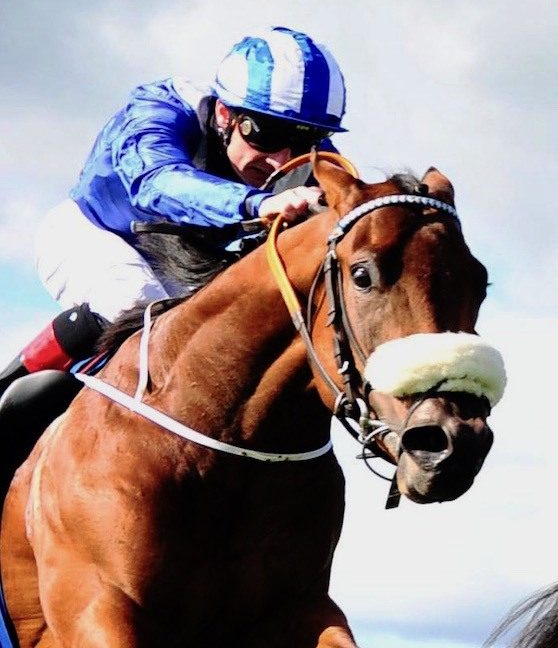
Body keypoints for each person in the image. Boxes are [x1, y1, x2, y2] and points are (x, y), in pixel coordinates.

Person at [0, 27, 347, 399]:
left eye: (302, 140)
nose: (281, 159)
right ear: (224, 113)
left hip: (185, 266)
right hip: (92, 233)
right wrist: (256, 203)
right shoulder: (158, 109)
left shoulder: (311, 155)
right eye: (265, 134)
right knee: (138, 302)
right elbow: (155, 180)